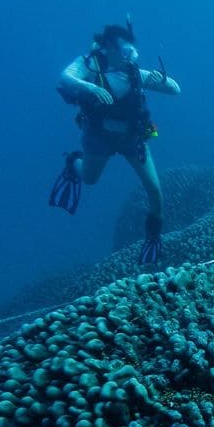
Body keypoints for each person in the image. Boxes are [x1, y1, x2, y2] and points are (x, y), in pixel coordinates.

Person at [50, 20, 179, 265]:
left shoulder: (135, 74)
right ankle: (73, 162)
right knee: (89, 178)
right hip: (99, 137)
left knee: (154, 189)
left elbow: (175, 89)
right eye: (125, 51)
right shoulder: (89, 65)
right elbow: (65, 77)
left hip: (132, 137)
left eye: (133, 51)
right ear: (109, 47)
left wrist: (161, 81)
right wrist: (88, 86)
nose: (131, 57)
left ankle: (153, 238)